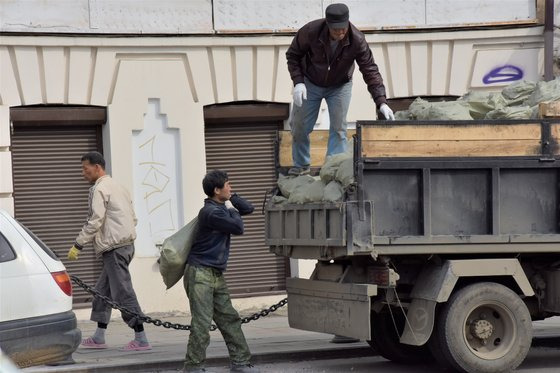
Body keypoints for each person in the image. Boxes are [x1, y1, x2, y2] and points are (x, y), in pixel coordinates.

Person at [286, 3, 395, 175]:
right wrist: (298, 82)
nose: (341, 33)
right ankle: (301, 166)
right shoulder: (310, 31)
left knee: (338, 128)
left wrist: (381, 102)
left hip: (340, 85)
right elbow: (292, 55)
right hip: (310, 82)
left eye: (343, 29)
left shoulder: (357, 39)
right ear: (328, 25)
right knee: (299, 126)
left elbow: (370, 70)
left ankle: (333, 167)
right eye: (336, 30)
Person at [67, 151, 151, 351]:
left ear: (97, 167)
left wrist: (78, 244)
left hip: (114, 249)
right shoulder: (119, 187)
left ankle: (141, 338)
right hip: (126, 245)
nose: (83, 174)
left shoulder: (100, 189)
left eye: (85, 169)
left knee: (123, 292)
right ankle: (98, 337)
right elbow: (133, 217)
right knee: (102, 291)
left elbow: (95, 220)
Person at [184, 170, 259, 373]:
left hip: (215, 273)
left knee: (229, 319)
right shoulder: (210, 212)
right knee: (202, 323)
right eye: (228, 185)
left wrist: (231, 198)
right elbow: (238, 227)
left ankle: (241, 362)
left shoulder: (221, 206)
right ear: (217, 190)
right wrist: (231, 207)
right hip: (200, 273)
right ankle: (193, 367)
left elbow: (249, 208)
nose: (231, 187)